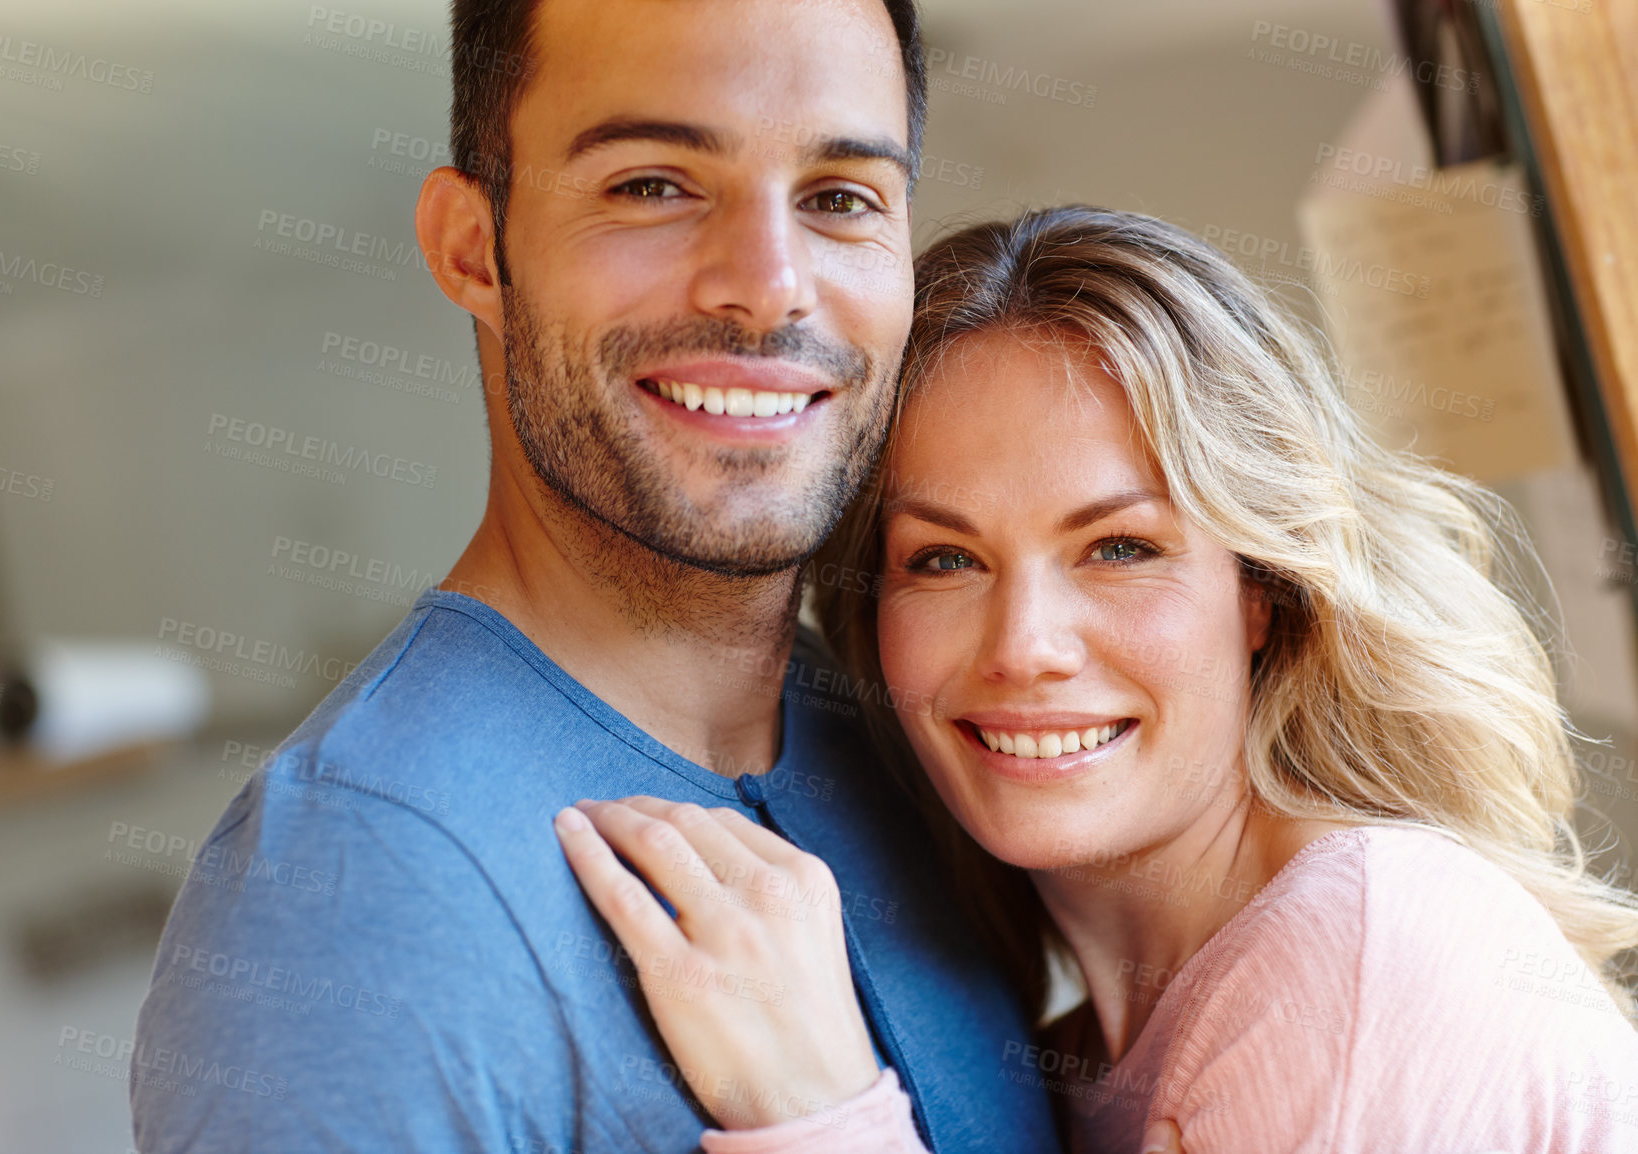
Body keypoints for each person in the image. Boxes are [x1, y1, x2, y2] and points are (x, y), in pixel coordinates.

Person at [129, 2, 1063, 1151]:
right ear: (474, 247)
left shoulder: (906, 736)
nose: (768, 287)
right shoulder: (353, 890)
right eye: (653, 185)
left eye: (838, 198)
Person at [558, 206, 1638, 1153]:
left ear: (1258, 589)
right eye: (942, 558)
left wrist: (818, 1109)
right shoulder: (1077, 1057)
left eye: (1118, 547)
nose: (1024, 644)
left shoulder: (1362, 952)